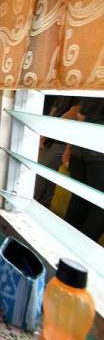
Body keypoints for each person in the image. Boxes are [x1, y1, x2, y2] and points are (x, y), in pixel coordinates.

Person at [62, 98, 104, 242]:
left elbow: (79, 116)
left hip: (88, 150)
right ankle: (72, 249)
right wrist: (69, 148)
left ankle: (72, 247)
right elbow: (78, 116)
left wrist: (69, 148)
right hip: (86, 150)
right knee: (87, 203)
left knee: (88, 203)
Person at [34, 95, 81, 208]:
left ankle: (36, 205)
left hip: (63, 141)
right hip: (52, 138)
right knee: (47, 179)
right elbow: (54, 110)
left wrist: (46, 132)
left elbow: (73, 113)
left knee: (40, 175)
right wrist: (44, 133)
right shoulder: (63, 90)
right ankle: (42, 207)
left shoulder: (82, 89)